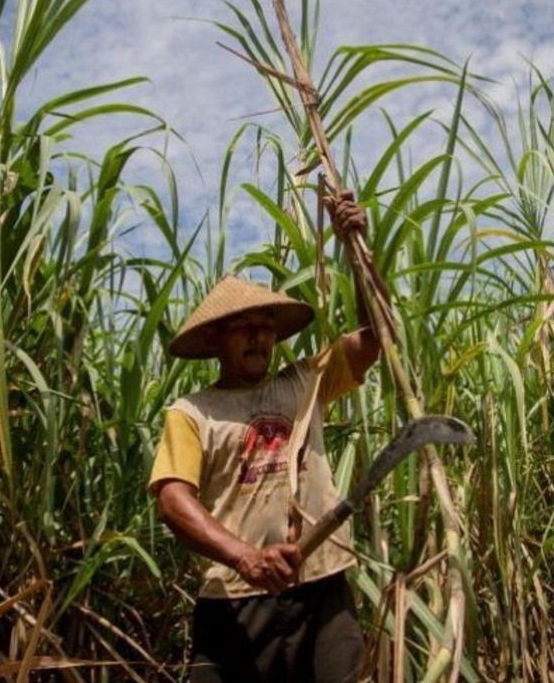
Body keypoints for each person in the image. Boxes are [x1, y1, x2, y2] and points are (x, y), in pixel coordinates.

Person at [148, 191, 381, 683]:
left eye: (266, 328)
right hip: (236, 600)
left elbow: (374, 335)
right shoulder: (192, 413)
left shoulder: (305, 382)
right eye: (243, 329)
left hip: (322, 590)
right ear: (214, 340)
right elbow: (173, 501)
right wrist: (247, 558)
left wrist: (357, 248)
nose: (259, 338)